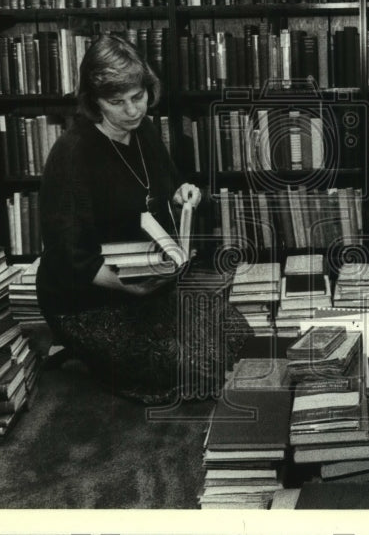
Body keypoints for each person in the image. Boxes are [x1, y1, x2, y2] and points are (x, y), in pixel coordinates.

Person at [36, 34, 249, 403]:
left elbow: (165, 184)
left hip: (147, 280)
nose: (133, 110)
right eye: (116, 102)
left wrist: (185, 192)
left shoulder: (144, 130)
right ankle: (83, 352)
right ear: (93, 102)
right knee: (186, 367)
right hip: (90, 298)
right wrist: (124, 287)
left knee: (235, 336)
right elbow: (66, 254)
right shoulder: (72, 153)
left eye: (138, 97)